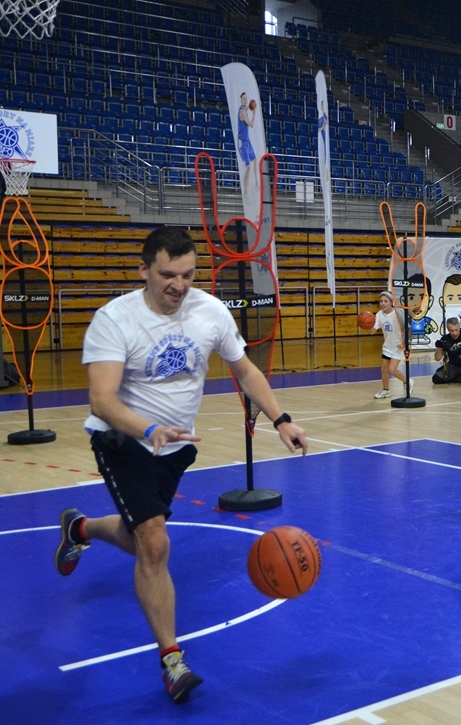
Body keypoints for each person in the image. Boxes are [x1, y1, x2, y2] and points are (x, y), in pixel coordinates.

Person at [54, 227, 307, 703]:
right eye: (168, 274)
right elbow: (101, 399)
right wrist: (148, 428)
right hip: (123, 441)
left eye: (188, 274)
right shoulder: (114, 319)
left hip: (176, 447)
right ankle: (172, 659)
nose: (179, 284)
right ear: (144, 270)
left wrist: (281, 419)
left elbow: (245, 370)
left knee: (140, 538)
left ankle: (81, 529)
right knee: (153, 542)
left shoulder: (210, 311)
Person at [373, 290, 409, 399]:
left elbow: (408, 329)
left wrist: (404, 342)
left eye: (385, 301)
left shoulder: (398, 314)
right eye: (381, 301)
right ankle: (386, 390)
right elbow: (372, 331)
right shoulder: (379, 314)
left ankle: (407, 381)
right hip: (387, 346)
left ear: (391, 302)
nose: (383, 303)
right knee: (383, 369)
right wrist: (367, 325)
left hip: (398, 346)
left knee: (392, 370)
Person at [432, 317, 461, 384]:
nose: (454, 333)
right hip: (453, 366)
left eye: (456, 330)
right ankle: (459, 377)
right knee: (436, 379)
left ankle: (458, 378)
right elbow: (437, 358)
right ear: (448, 329)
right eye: (452, 331)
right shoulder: (445, 339)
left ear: (459, 328)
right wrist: (440, 348)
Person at [236, 92, 257, 189]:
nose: (245, 100)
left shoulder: (244, 109)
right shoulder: (242, 112)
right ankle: (245, 191)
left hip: (247, 140)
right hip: (242, 142)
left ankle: (257, 183)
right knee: (248, 167)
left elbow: (246, 108)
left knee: (255, 159)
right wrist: (254, 113)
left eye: (246, 99)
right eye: (243, 99)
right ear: (241, 100)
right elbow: (251, 125)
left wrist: (250, 106)